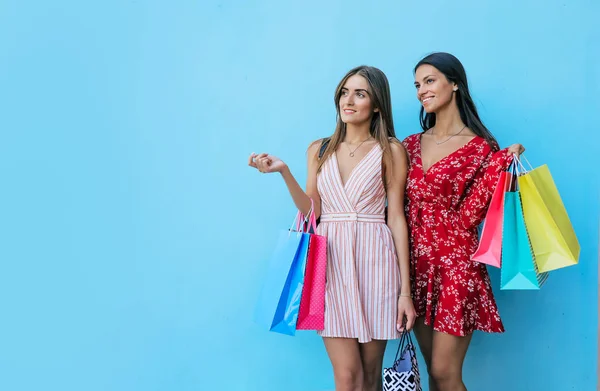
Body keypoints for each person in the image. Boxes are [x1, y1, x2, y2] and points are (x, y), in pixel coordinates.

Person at [248, 65, 416, 391]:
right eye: (344, 92)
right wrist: (284, 172)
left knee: (370, 377)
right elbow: (313, 211)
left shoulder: (391, 150)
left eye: (360, 93)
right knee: (347, 376)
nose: (348, 100)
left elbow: (396, 217)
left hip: (376, 263)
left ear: (377, 104)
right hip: (331, 263)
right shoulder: (319, 149)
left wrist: (405, 293)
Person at [402, 52, 525, 391]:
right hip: (414, 267)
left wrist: (501, 165)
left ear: (455, 83)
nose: (421, 91)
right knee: (432, 373)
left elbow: (470, 218)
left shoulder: (482, 148)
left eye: (429, 81)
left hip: (456, 266)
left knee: (445, 374)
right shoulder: (409, 145)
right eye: (417, 85)